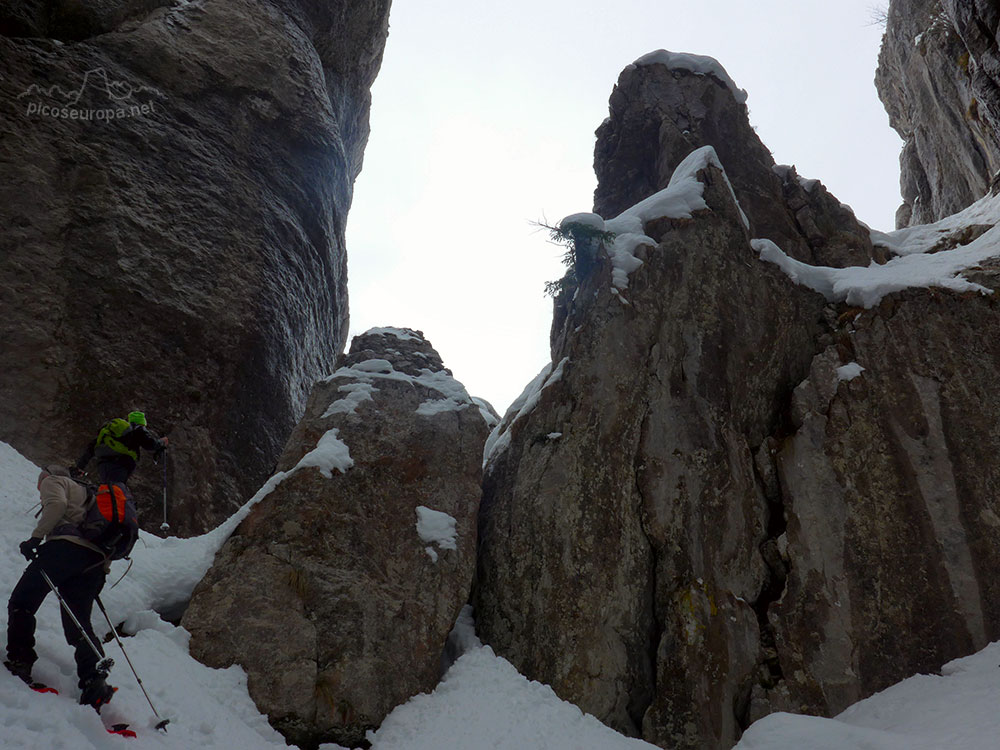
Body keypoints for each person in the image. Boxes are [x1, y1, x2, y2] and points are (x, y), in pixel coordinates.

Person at [5, 466, 115, 709]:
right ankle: (94, 680)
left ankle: (20, 660)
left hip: (63, 550)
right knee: (79, 623)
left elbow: (56, 506)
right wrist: (100, 571)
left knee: (22, 602)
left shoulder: (54, 480)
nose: (39, 490)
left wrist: (35, 538)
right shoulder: (92, 495)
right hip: (94, 562)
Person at [73, 410, 168, 485]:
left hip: (103, 465)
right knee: (116, 491)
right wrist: (162, 442)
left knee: (108, 490)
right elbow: (150, 445)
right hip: (120, 464)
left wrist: (80, 467)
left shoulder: (112, 434)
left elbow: (90, 448)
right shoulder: (138, 429)